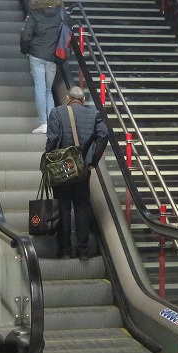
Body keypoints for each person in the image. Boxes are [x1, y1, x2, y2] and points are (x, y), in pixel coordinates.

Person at [44, 87, 110, 259]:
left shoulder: (57, 112)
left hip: (62, 169)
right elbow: (104, 135)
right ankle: (83, 251)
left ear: (68, 98)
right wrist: (93, 160)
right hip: (82, 169)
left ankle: (65, 250)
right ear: (83, 99)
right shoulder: (94, 114)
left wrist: (49, 157)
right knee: (82, 207)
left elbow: (53, 138)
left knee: (63, 207)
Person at [20, 0, 65, 133]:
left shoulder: (35, 12)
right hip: (53, 56)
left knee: (39, 88)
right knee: (48, 90)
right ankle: (51, 124)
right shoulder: (60, 13)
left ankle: (43, 123)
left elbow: (26, 34)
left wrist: (25, 50)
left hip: (36, 54)